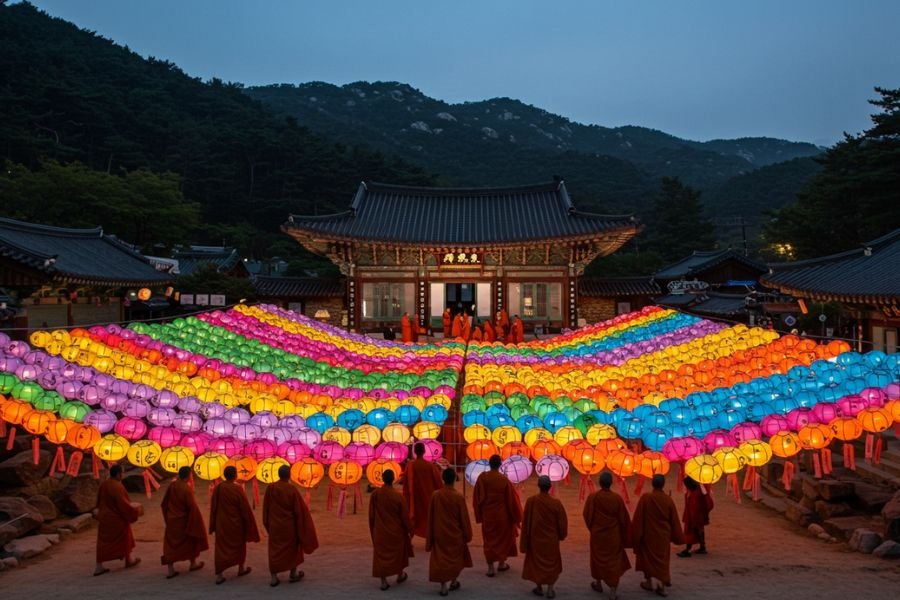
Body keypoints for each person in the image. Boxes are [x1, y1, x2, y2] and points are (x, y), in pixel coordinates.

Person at [263, 465, 318, 586]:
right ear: (289, 475)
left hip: (275, 525)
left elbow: (266, 508)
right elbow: (299, 511)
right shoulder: (291, 489)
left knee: (274, 550)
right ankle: (293, 574)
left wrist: (267, 523)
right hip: (289, 526)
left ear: (278, 474)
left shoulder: (271, 488)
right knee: (293, 549)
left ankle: (273, 577)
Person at [632, 474, 684, 597]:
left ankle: (649, 582)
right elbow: (674, 520)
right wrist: (677, 536)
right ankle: (661, 585)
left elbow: (638, 518)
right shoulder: (668, 500)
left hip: (648, 535)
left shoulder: (646, 498)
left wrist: (636, 535)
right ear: (663, 485)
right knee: (662, 560)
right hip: (663, 536)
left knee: (647, 558)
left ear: (652, 484)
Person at [583, 471, 631, 599]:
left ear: (600, 483)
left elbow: (586, 515)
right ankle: (613, 592)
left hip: (597, 535)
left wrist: (593, 528)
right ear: (611, 483)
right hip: (613, 537)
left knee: (597, 559)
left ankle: (598, 583)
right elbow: (624, 520)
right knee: (613, 563)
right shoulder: (617, 499)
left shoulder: (593, 497)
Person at [209, 465, 261, 584]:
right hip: (236, 523)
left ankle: (220, 575)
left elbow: (214, 506)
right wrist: (248, 522)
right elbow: (244, 508)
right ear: (235, 476)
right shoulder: (237, 489)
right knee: (239, 546)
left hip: (221, 522)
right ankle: (241, 568)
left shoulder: (219, 488)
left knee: (221, 547)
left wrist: (213, 523)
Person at [426, 467, 473, 596]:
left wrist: (429, 536)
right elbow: (464, 518)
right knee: (454, 559)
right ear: (454, 479)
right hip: (455, 534)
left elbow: (430, 517)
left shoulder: (435, 495)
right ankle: (453, 580)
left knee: (441, 560)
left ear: (443, 479)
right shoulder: (458, 497)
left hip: (439, 533)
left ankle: (443, 587)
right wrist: (467, 534)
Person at [473, 454, 522, 577]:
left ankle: (490, 568)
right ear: (500, 465)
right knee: (503, 539)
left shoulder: (482, 478)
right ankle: (501, 564)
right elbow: (512, 500)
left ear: (489, 464)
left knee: (489, 541)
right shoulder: (504, 480)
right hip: (502, 515)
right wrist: (517, 516)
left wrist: (479, 514)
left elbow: (476, 498)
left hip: (488, 515)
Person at [520, 475, 567, 598]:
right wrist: (562, 535)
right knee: (551, 564)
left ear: (538, 486)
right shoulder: (556, 503)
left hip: (535, 540)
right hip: (551, 540)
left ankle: (539, 587)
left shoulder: (531, 502)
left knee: (537, 564)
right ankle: (550, 590)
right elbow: (562, 523)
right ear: (550, 487)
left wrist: (525, 540)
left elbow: (525, 523)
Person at [369, 469, 413, 590]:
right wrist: (410, 530)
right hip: (396, 532)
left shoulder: (375, 495)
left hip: (380, 531)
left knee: (381, 556)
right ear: (393, 479)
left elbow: (371, 515)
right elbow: (405, 516)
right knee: (399, 553)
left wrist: (373, 529)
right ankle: (400, 574)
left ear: (382, 479)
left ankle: (383, 581)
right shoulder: (398, 496)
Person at [161, 466, 208, 578]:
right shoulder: (186, 489)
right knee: (190, 541)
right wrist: (196, 520)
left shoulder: (172, 485)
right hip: (183, 520)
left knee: (171, 544)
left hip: (172, 519)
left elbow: (165, 502)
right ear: (188, 476)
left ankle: (170, 569)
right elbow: (191, 507)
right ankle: (193, 563)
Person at [94, 464, 141, 576]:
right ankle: (128, 560)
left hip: (105, 517)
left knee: (103, 543)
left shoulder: (104, 484)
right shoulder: (117, 486)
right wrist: (133, 512)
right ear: (118, 474)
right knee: (125, 538)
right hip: (116, 519)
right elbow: (123, 504)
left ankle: (99, 566)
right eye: (122, 473)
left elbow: (99, 501)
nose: (122, 475)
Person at [403, 442, 443, 538]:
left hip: (414, 499)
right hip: (428, 497)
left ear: (414, 452)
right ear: (424, 451)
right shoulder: (430, 466)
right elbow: (438, 483)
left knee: (413, 518)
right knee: (429, 518)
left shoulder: (410, 466)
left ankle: (409, 540)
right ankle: (431, 540)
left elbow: (406, 484)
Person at [678, 476, 712, 557]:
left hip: (695, 516)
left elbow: (695, 507)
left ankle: (688, 549)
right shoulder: (697, 490)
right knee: (699, 530)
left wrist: (692, 519)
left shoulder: (696, 493)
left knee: (691, 532)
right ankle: (702, 547)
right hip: (695, 515)